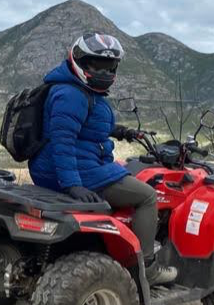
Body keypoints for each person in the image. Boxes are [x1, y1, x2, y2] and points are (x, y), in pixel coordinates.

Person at [29, 33, 177, 285]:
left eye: (109, 66)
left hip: (65, 167)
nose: (104, 71)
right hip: (73, 170)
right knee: (147, 196)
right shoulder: (71, 95)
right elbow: (63, 143)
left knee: (122, 174)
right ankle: (147, 268)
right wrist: (72, 185)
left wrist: (122, 131)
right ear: (78, 61)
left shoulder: (79, 89)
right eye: (95, 64)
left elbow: (85, 126)